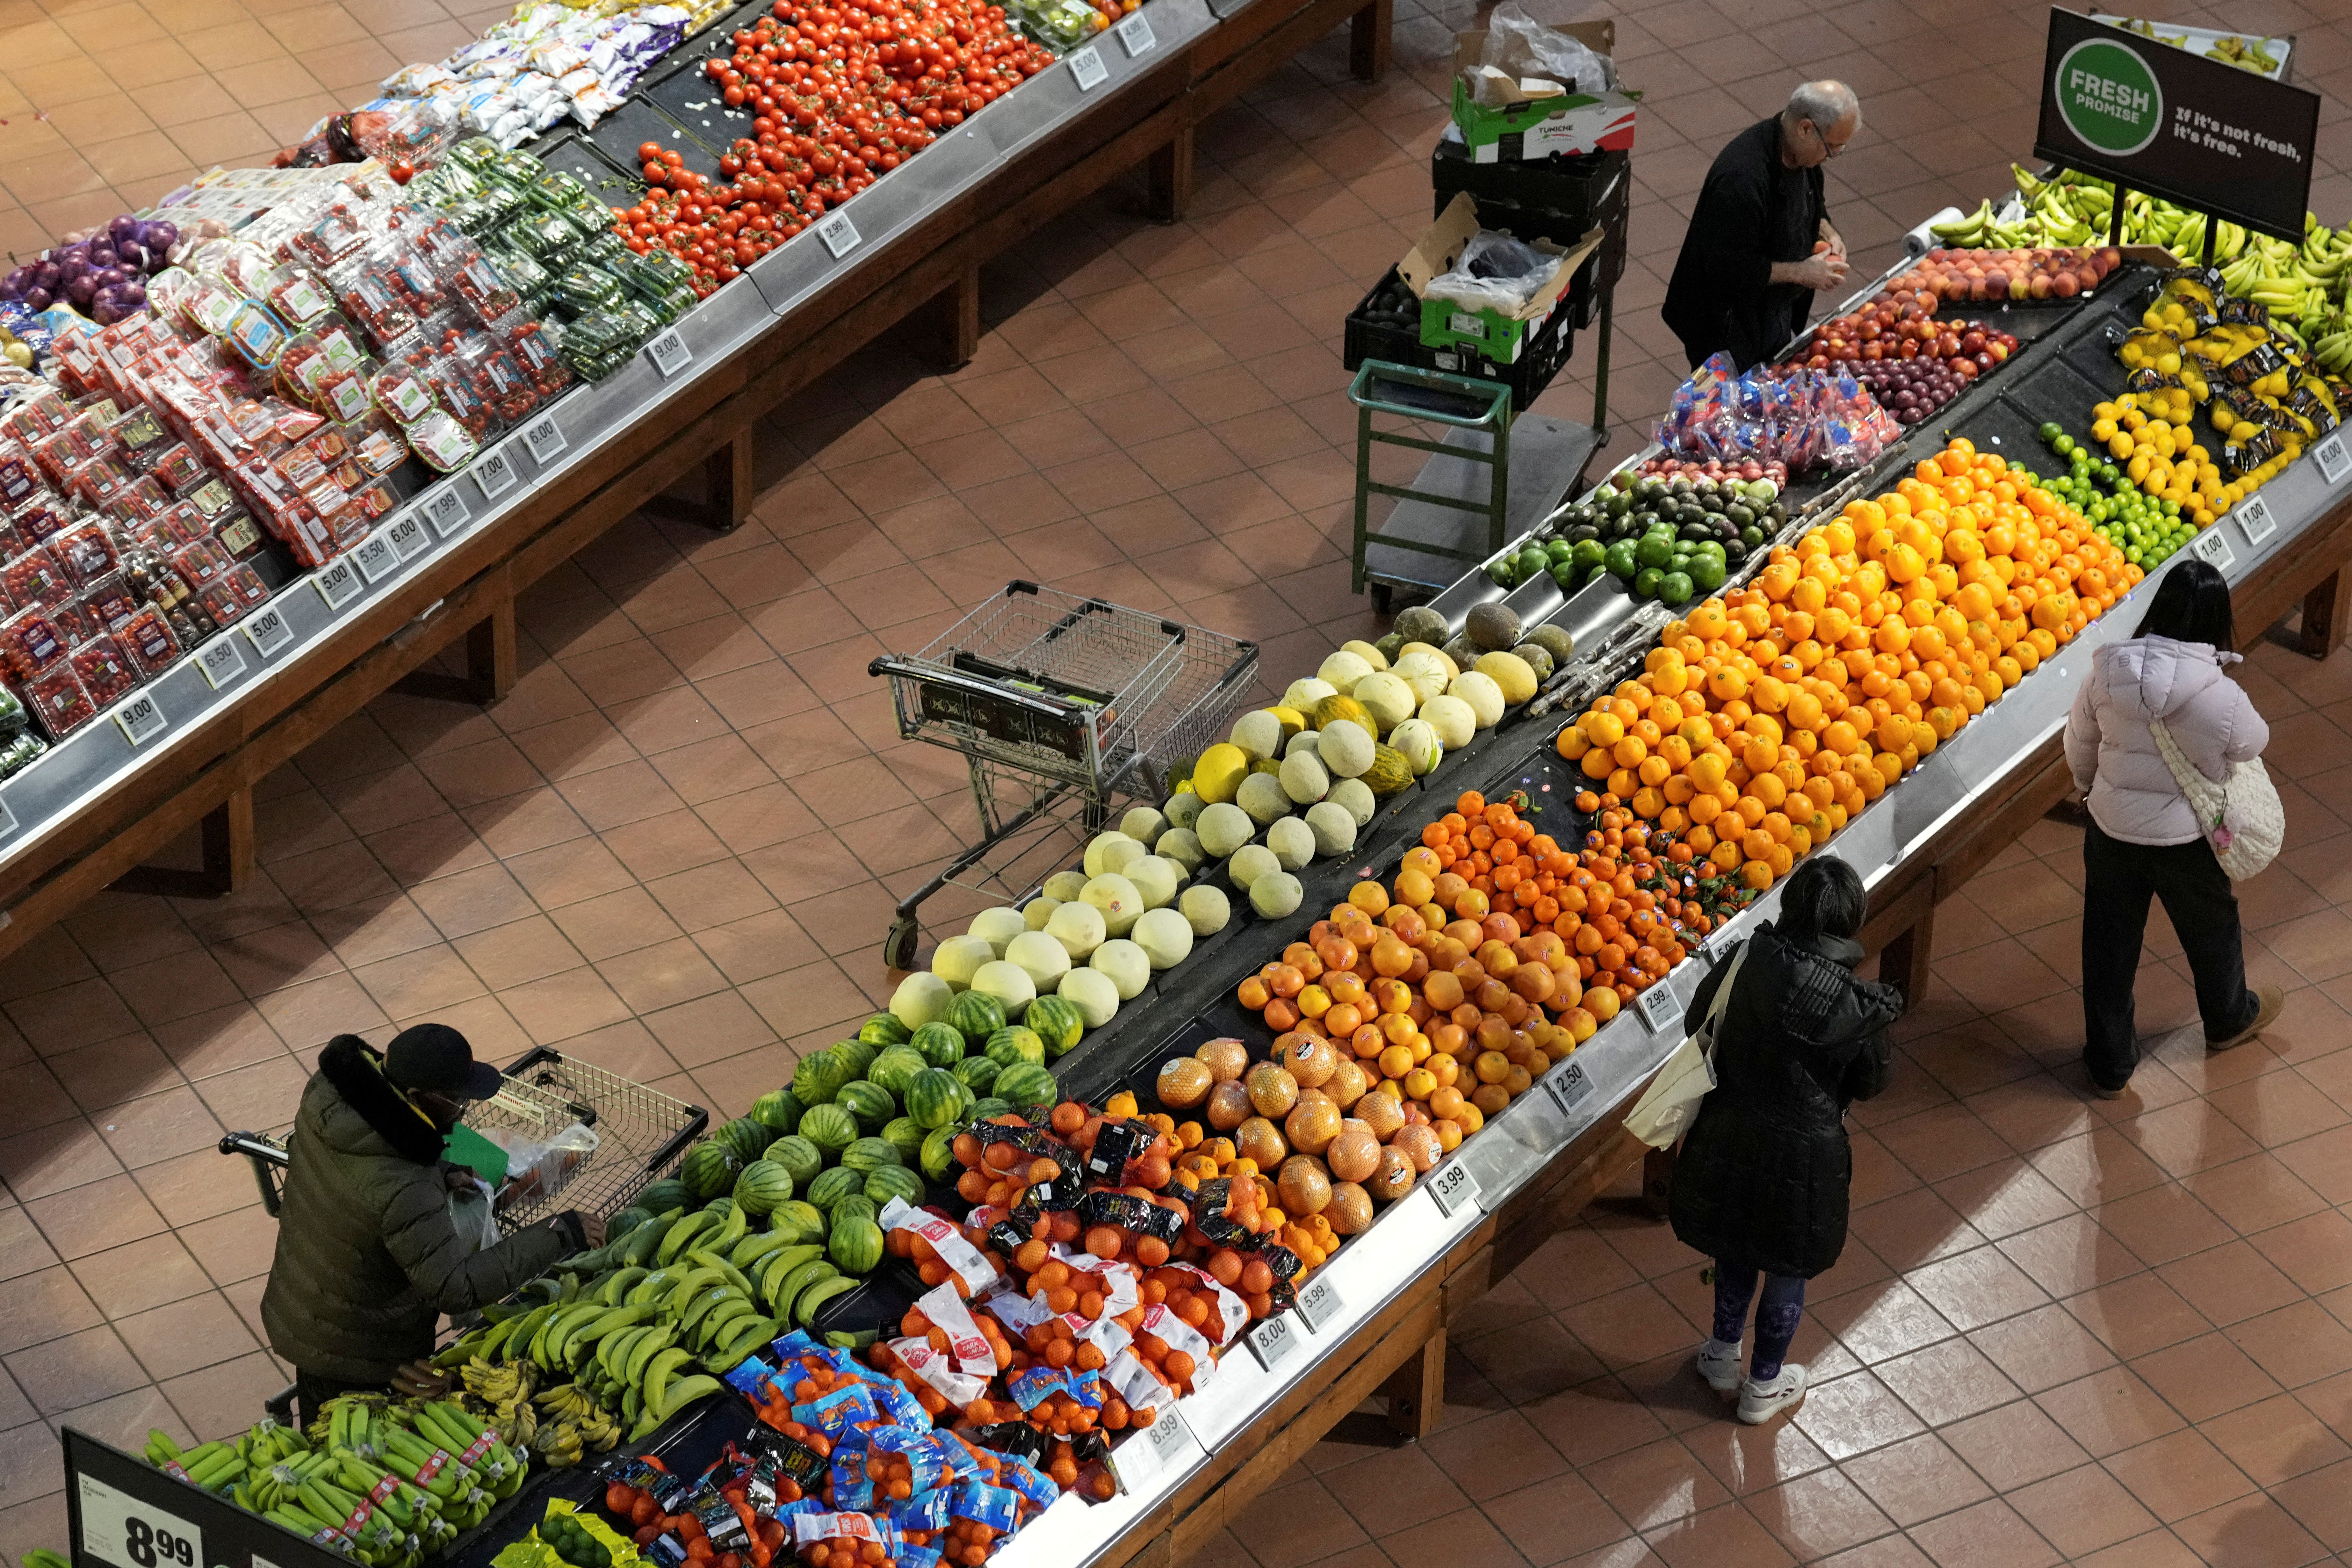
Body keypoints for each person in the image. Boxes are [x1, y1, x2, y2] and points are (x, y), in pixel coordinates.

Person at [261, 1024, 603, 1428]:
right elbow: (455, 1288)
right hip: (358, 1343)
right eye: (455, 1099)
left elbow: (364, 1167)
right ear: (415, 1097)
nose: (463, 1110)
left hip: (311, 1297)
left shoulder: (332, 1095)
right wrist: (559, 1233)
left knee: (321, 1394)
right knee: (343, 1437)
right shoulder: (405, 1187)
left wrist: (440, 1169)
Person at [1669, 856, 1901, 1424]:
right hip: (1808, 1155)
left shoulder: (1745, 960)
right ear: (1850, 920)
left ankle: (1721, 1353)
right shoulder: (1855, 1004)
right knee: (1786, 1263)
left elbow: (1697, 1022)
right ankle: (1763, 1386)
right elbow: (1871, 1082)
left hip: (1730, 1127)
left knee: (1736, 1243)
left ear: (1791, 905)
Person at [2064, 559, 2282, 1097]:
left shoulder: (2106, 671)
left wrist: (2090, 789)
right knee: (2212, 931)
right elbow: (2253, 743)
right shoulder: (2219, 694)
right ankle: (2228, 1019)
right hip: (2185, 839)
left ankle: (2109, 1062)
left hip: (2111, 831)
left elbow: (2079, 741)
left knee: (2109, 945)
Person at [1663, 80, 1860, 371]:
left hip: (1772, 309)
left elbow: (1813, 204)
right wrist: (1802, 273)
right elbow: (1730, 268)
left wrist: (1828, 231)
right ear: (1805, 129)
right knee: (1732, 391)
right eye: (1831, 149)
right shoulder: (1742, 180)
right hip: (1727, 321)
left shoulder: (1803, 157)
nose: (1831, 158)